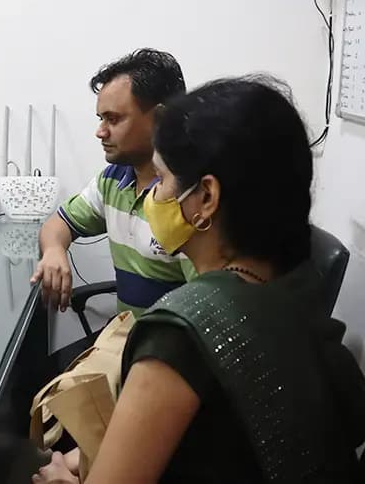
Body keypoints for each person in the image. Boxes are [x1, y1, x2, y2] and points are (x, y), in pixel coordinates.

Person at [33, 76, 365, 483]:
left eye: (162, 180)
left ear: (206, 197)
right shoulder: (304, 307)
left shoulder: (181, 333)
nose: (152, 196)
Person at [33, 48, 194, 318]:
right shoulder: (112, 179)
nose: (100, 131)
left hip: (168, 352)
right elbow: (58, 224)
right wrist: (53, 250)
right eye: (101, 119)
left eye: (114, 119)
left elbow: (211, 310)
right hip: (126, 340)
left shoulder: (192, 200)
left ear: (162, 119)